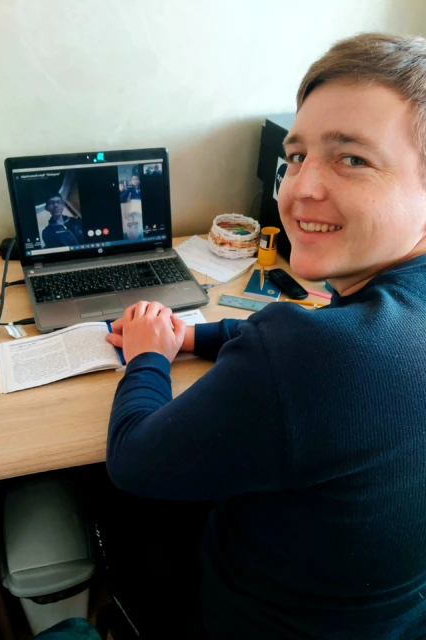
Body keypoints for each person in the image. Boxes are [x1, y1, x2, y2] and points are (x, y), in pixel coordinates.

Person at [103, 32, 426, 639]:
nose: (298, 189)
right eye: (296, 155)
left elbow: (133, 460)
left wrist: (148, 356)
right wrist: (194, 337)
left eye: (352, 158)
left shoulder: (315, 354)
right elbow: (314, 330)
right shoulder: (383, 315)